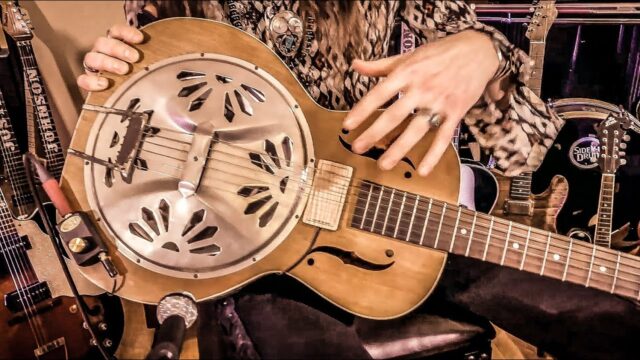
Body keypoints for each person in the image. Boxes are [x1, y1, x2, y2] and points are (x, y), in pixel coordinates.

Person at [76, 1, 640, 359]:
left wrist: (483, 54)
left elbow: (523, 150)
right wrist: (114, 73)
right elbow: (145, 95)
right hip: (246, 256)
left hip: (386, 216)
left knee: (610, 305)